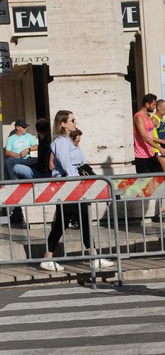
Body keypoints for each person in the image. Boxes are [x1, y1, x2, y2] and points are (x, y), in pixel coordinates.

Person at [40, 110, 114, 272]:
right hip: (69, 187)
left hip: (75, 187)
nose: (76, 123)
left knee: (81, 220)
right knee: (62, 224)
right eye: (73, 120)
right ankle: (48, 258)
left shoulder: (67, 141)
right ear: (63, 123)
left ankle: (93, 256)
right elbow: (67, 165)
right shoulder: (60, 142)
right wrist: (75, 186)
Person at [9, 119, 51, 225]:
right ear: (17, 128)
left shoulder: (41, 141)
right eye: (23, 127)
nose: (26, 128)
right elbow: (7, 151)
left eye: (26, 127)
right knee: (10, 162)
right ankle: (17, 210)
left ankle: (17, 211)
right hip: (20, 158)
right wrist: (18, 155)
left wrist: (28, 149)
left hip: (40, 170)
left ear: (37, 130)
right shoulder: (11, 138)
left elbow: (41, 159)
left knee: (17, 168)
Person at [133, 94, 165, 174]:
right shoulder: (138, 116)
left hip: (151, 153)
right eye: (153, 105)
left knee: (159, 178)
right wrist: (160, 147)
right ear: (147, 104)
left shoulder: (148, 116)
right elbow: (144, 136)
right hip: (141, 156)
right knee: (145, 184)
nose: (155, 107)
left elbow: (151, 135)